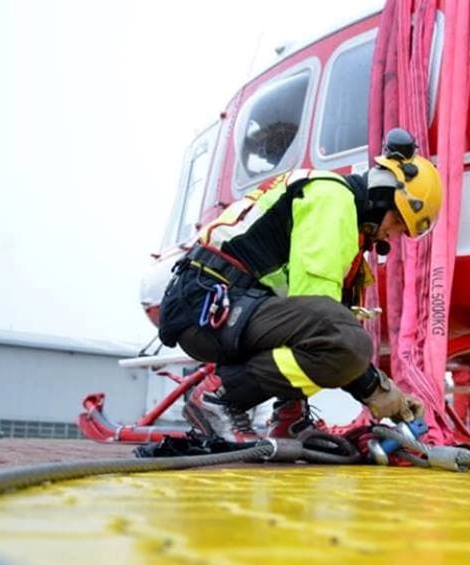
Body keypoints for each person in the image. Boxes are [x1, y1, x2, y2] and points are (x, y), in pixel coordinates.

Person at [157, 128, 443, 442]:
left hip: (218, 307)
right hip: (211, 307)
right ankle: (218, 399)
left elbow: (307, 324)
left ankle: (288, 417)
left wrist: (377, 388)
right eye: (399, 222)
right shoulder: (333, 201)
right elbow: (325, 326)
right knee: (346, 341)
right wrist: (376, 390)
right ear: (383, 196)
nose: (393, 235)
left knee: (333, 337)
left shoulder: (338, 207)